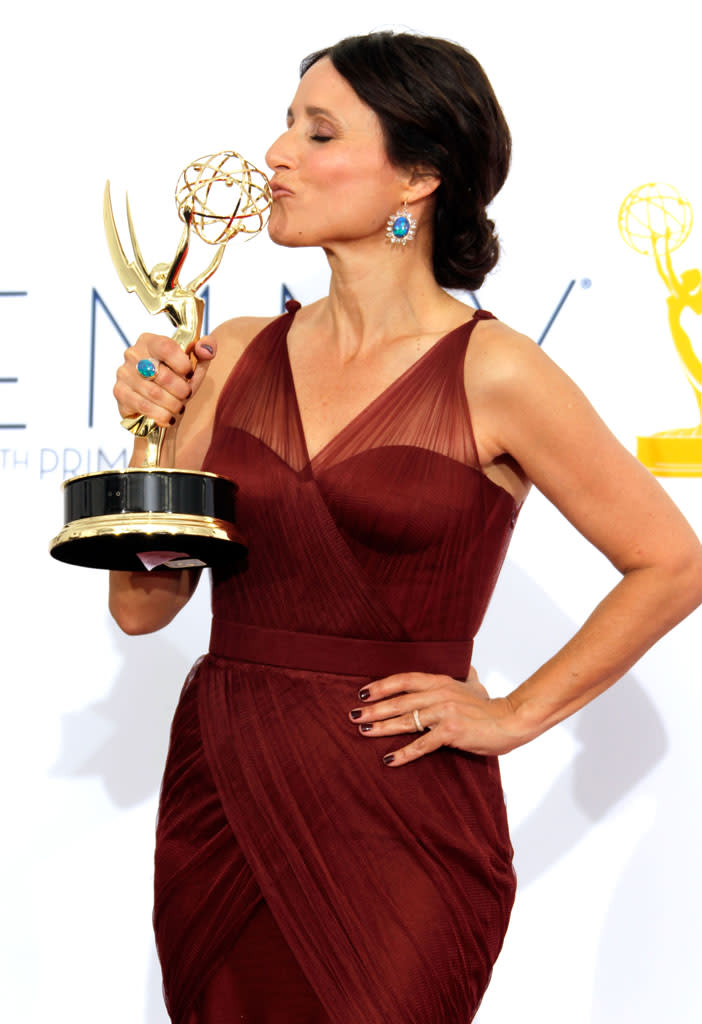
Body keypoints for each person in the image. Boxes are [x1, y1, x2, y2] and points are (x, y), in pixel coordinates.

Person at [109, 31, 702, 1024]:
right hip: (226, 793)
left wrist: (511, 715)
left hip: (403, 817)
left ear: (417, 177)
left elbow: (672, 561)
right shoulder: (234, 354)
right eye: (287, 122)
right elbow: (140, 604)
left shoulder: (496, 370)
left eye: (319, 130)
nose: (277, 154)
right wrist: (150, 434)